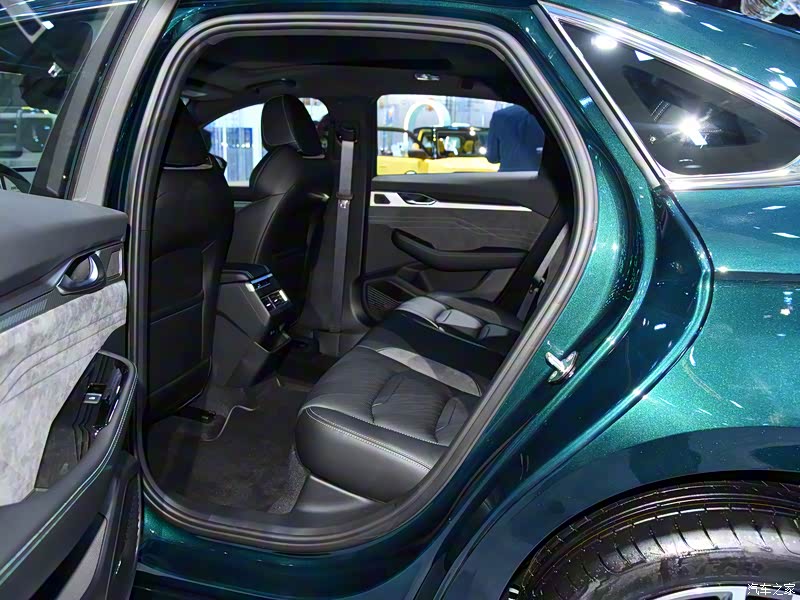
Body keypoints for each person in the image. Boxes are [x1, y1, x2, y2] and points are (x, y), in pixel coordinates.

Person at [486, 104, 544, 172]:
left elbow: (492, 157)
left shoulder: (499, 115)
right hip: (541, 175)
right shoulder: (547, 114)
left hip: (509, 176)